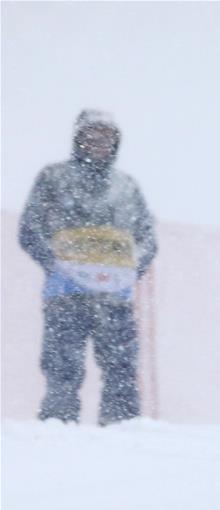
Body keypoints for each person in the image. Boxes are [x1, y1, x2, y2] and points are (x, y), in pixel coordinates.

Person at [19, 109, 157, 426]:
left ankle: (123, 428)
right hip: (65, 296)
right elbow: (30, 229)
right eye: (91, 135)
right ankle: (58, 426)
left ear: (116, 142)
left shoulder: (126, 187)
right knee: (62, 366)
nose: (98, 142)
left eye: (106, 136)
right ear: (78, 138)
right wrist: (56, 264)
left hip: (115, 298)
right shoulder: (53, 178)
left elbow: (147, 238)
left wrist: (131, 269)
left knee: (121, 367)